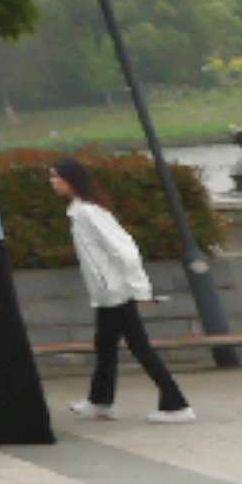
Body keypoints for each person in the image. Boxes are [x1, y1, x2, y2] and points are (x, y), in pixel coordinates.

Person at [59, 176, 189, 417]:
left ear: (71, 180)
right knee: (106, 345)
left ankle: (176, 403)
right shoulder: (80, 211)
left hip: (116, 291)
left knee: (138, 346)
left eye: (57, 176)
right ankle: (100, 401)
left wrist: (140, 289)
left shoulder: (89, 212)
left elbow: (123, 249)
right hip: (107, 293)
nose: (52, 181)